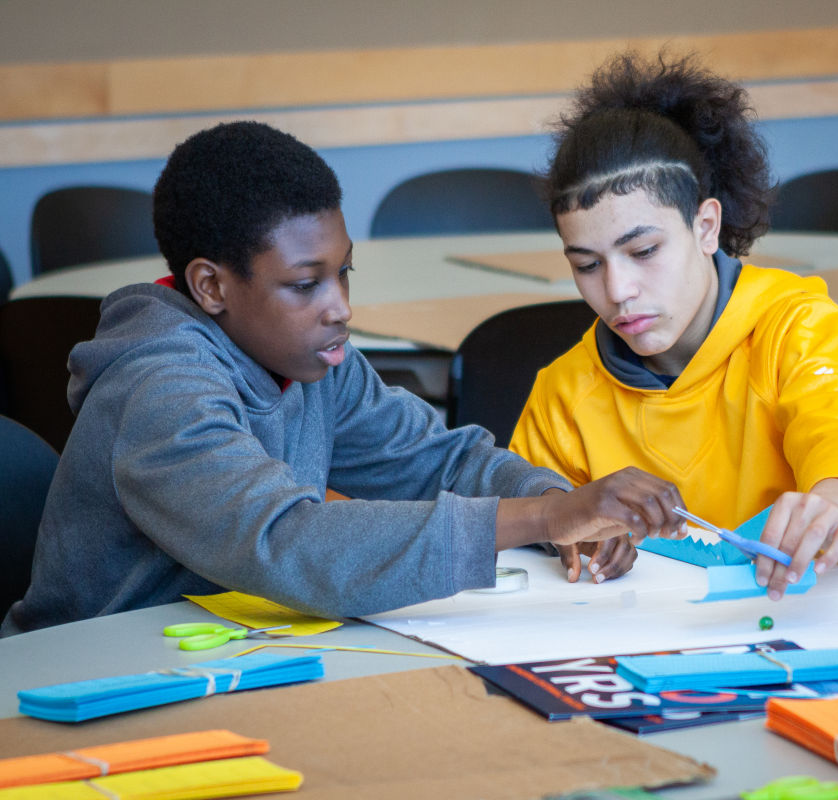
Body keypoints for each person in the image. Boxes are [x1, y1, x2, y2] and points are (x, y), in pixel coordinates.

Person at [2, 121, 685, 636]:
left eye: (342, 272)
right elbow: (289, 541)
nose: (341, 308)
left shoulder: (310, 359)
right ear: (211, 286)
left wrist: (558, 506)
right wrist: (542, 516)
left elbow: (437, 460)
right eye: (305, 284)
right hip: (89, 683)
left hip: (227, 655)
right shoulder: (158, 391)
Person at [509, 51, 838, 599]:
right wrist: (576, 544)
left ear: (706, 227)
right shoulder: (562, 396)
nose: (617, 290)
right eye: (587, 264)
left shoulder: (794, 324)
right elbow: (540, 533)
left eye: (644, 250)